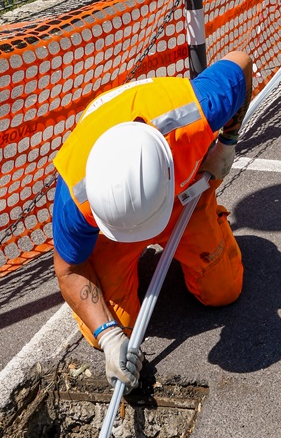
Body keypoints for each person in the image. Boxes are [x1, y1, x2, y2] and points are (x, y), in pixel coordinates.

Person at [52, 51, 252, 391]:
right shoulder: (76, 196)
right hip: (115, 229)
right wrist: (109, 335)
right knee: (113, 329)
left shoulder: (196, 113)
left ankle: (211, 224)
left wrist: (227, 143)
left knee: (224, 291)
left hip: (184, 193)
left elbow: (241, 62)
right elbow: (68, 269)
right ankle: (120, 281)